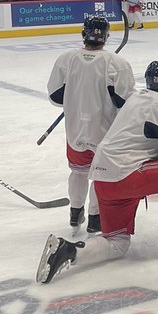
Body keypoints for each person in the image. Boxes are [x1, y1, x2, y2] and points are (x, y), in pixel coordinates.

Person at [36, 60, 158, 284]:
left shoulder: (134, 99)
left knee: (117, 242)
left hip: (102, 180)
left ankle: (68, 250)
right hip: (128, 177)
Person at [47, 14, 136, 235]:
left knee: (78, 173)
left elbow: (55, 96)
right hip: (104, 131)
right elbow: (125, 102)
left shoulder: (66, 59)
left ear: (83, 33)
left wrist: (77, 98)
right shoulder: (117, 63)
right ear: (106, 37)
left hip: (75, 129)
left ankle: (75, 213)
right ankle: (95, 218)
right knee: (100, 174)